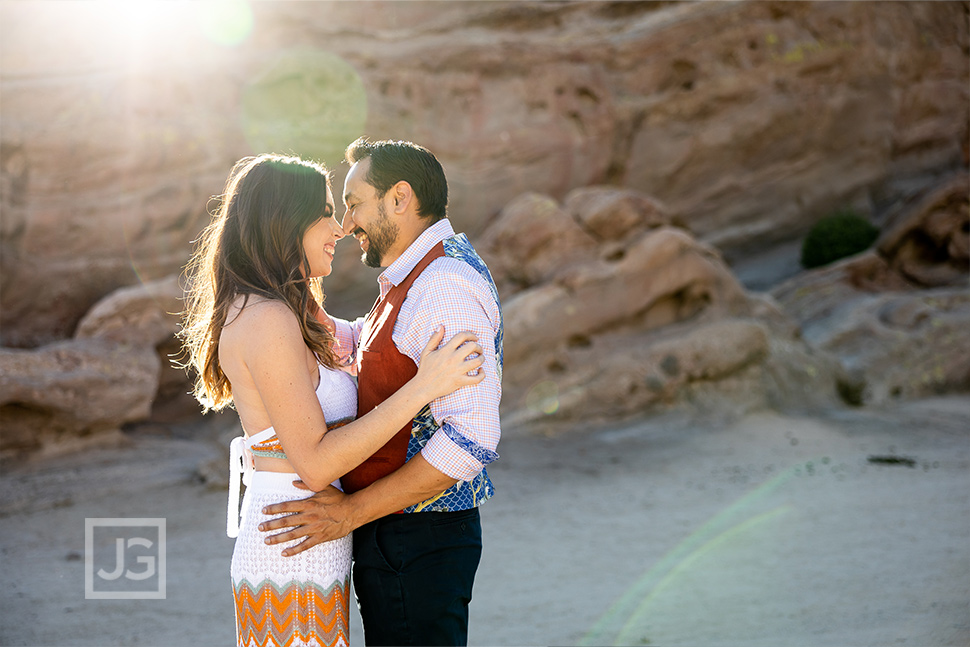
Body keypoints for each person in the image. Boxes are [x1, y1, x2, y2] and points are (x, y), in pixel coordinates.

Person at [179, 153, 486, 647]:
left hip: (311, 533)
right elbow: (317, 463)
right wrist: (424, 388)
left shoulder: (291, 309)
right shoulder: (267, 319)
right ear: (285, 221)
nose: (340, 227)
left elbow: (361, 342)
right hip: (294, 535)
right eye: (325, 211)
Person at [259, 138, 504, 646]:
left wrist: (350, 513)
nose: (346, 225)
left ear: (399, 198)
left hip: (419, 538)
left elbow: (469, 442)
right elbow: (381, 350)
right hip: (397, 532)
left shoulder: (445, 286)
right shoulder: (414, 277)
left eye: (353, 205)